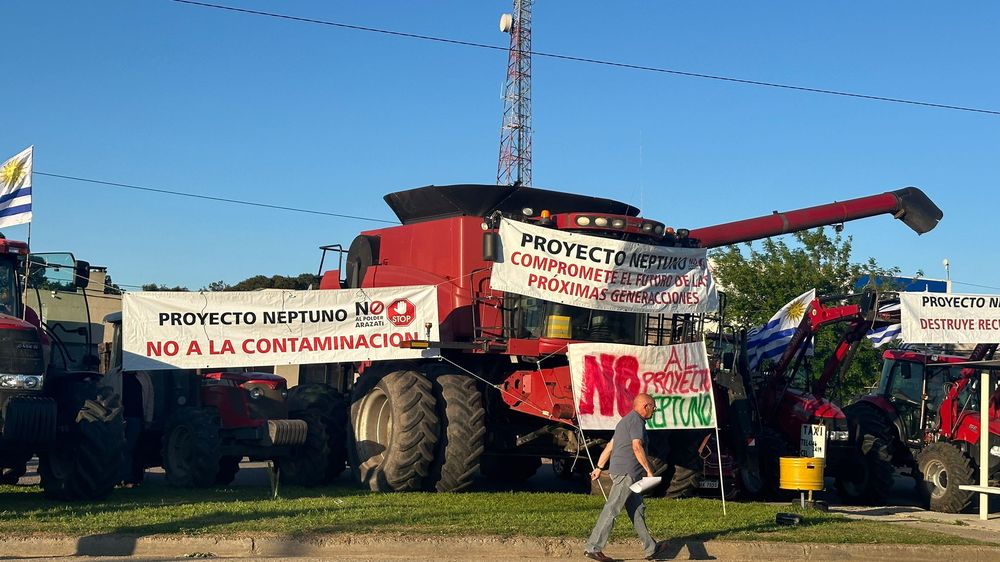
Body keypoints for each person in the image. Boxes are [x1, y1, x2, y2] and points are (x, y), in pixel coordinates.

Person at [584, 393, 669, 562]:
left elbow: (610, 446)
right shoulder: (636, 421)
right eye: (653, 407)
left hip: (628, 474)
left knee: (637, 510)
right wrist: (649, 471)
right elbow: (637, 446)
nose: (654, 410)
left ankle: (651, 548)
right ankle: (593, 548)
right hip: (626, 474)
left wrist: (599, 467)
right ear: (645, 406)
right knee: (612, 509)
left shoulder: (625, 421)